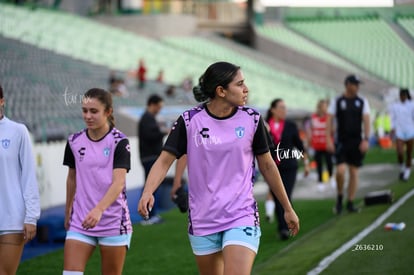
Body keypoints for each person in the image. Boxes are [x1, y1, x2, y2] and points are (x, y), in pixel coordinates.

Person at [138, 62, 299, 275]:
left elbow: (268, 165)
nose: (246, 89)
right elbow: (164, 161)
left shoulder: (252, 119)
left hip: (240, 215)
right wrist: (148, 191)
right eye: (240, 84)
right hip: (203, 220)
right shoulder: (189, 121)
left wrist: (287, 207)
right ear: (221, 91)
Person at [62, 88, 132, 275]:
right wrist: (68, 209)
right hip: (80, 221)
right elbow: (72, 178)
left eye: (94, 111)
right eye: (85, 110)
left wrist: (99, 210)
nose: (88, 116)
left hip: (113, 222)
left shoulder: (120, 142)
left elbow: (118, 183)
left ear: (108, 112)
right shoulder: (74, 141)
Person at [0, 84, 41, 275]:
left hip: (11, 219)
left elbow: (28, 176)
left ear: (2, 101)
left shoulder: (18, 131)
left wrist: (31, 216)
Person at [264, 98, 309, 240]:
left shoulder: (290, 126)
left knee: (285, 196)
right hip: (271, 168)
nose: (284, 110)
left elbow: (300, 146)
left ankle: (284, 228)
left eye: (285, 108)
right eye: (281, 107)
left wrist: (306, 163)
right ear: (273, 110)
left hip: (289, 166)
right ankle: (282, 227)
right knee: (277, 196)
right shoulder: (264, 127)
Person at [326, 75, 370, 215]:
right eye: (355, 84)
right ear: (347, 85)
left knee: (354, 172)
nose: (357, 87)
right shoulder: (338, 101)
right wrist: (328, 138)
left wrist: (366, 139)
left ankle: (350, 202)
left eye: (358, 84)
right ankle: (340, 196)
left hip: (356, 141)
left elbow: (367, 120)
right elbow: (329, 120)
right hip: (341, 141)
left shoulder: (362, 101)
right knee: (340, 171)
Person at [138, 94, 167, 225]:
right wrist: (163, 132)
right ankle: (148, 215)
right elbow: (150, 136)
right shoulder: (147, 118)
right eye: (159, 106)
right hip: (150, 157)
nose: (159, 109)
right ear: (152, 104)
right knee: (151, 187)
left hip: (150, 157)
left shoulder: (149, 118)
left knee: (153, 187)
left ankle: (151, 214)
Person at [308, 99, 334, 191]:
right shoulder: (313, 117)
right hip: (317, 145)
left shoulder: (329, 117)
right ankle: (320, 181)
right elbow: (310, 129)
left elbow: (333, 130)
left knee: (329, 162)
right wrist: (309, 142)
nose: (325, 108)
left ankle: (331, 177)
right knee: (319, 164)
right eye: (323, 106)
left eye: (326, 106)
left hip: (327, 144)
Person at [389, 88, 414, 181]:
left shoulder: (411, 105)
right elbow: (393, 118)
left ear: (406, 96)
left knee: (409, 153)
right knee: (400, 152)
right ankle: (402, 167)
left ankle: (407, 173)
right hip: (400, 131)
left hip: (410, 131)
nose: (402, 97)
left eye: (403, 95)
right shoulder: (395, 106)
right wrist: (392, 128)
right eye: (400, 96)